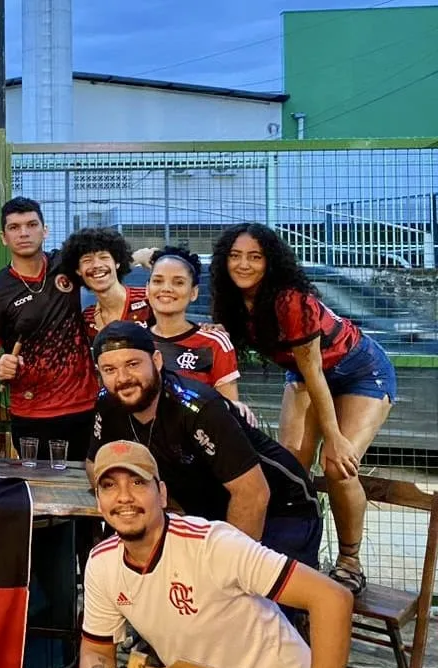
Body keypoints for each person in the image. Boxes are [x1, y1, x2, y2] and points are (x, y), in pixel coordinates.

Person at [61, 440, 351, 668]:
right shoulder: (102, 562)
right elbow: (97, 652)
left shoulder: (213, 543)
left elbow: (332, 598)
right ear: (98, 502)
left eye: (138, 482)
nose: (124, 497)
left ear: (161, 494)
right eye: (109, 486)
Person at [211, 223, 395, 594]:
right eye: (235, 256)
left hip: (359, 371)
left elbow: (315, 373)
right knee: (289, 469)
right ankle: (291, 555)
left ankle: (349, 561)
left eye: (254, 257)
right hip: (305, 376)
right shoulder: (231, 299)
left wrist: (336, 438)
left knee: (338, 466)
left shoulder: (290, 300)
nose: (243, 264)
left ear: (270, 262)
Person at [86, 321, 323, 569]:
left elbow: (253, 494)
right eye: (110, 369)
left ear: (156, 361)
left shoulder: (198, 408)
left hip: (283, 506)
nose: (122, 378)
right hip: (209, 509)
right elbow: (95, 465)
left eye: (132, 364)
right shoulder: (108, 402)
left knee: (258, 599)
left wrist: (228, 572)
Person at [0, 197, 98, 462]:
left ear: (45, 230)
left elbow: (106, 267)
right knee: (42, 490)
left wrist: (143, 255)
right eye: (14, 227)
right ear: (3, 237)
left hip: (84, 405)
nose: (24, 233)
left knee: (87, 488)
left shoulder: (68, 265)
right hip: (32, 412)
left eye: (31, 224)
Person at [145, 246, 243, 399]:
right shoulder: (135, 340)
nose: (166, 288)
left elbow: (229, 408)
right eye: (158, 281)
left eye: (178, 282)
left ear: (193, 292)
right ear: (147, 288)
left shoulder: (215, 343)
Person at [60, 227, 152, 339]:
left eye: (103, 257)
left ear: (117, 262)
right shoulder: (87, 319)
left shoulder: (148, 300)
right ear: (78, 270)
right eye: (87, 260)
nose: (96, 265)